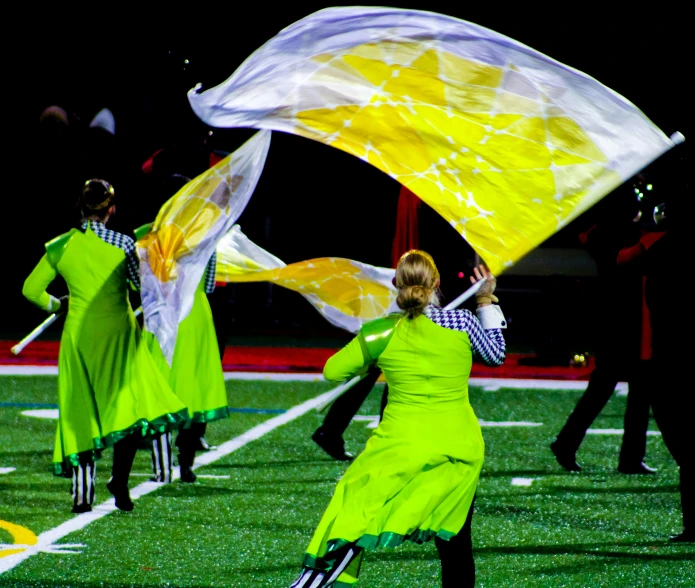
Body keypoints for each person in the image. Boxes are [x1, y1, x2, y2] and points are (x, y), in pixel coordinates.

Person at [289, 250, 507, 588]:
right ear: (437, 283)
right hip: (457, 450)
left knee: (352, 517)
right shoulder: (463, 323)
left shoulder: (380, 333)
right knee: (455, 544)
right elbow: (496, 355)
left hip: (398, 449)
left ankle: (312, 584)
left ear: (396, 285)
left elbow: (333, 371)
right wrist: (485, 299)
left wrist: (371, 357)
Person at [21, 179, 188, 513]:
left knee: (79, 412)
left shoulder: (60, 246)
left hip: (78, 336)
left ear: (81, 208)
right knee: (128, 408)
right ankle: (120, 483)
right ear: (111, 209)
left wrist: (58, 304)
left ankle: (82, 496)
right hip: (118, 334)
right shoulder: (124, 243)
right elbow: (139, 284)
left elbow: (30, 290)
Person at [550, 176, 663, 474]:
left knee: (620, 389)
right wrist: (647, 243)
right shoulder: (617, 233)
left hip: (623, 319)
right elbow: (622, 260)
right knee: (622, 389)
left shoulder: (604, 230)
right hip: (627, 320)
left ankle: (614, 454)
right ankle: (611, 453)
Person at [135, 174, 229, 484]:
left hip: (162, 313)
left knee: (161, 387)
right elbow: (211, 284)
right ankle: (186, 465)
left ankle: (160, 464)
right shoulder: (207, 233)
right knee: (193, 391)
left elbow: (141, 282)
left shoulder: (150, 233)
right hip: (194, 315)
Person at [644, 188, 694, 542]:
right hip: (673, 358)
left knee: (686, 449)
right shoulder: (662, 250)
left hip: (670, 359)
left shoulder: (660, 250)